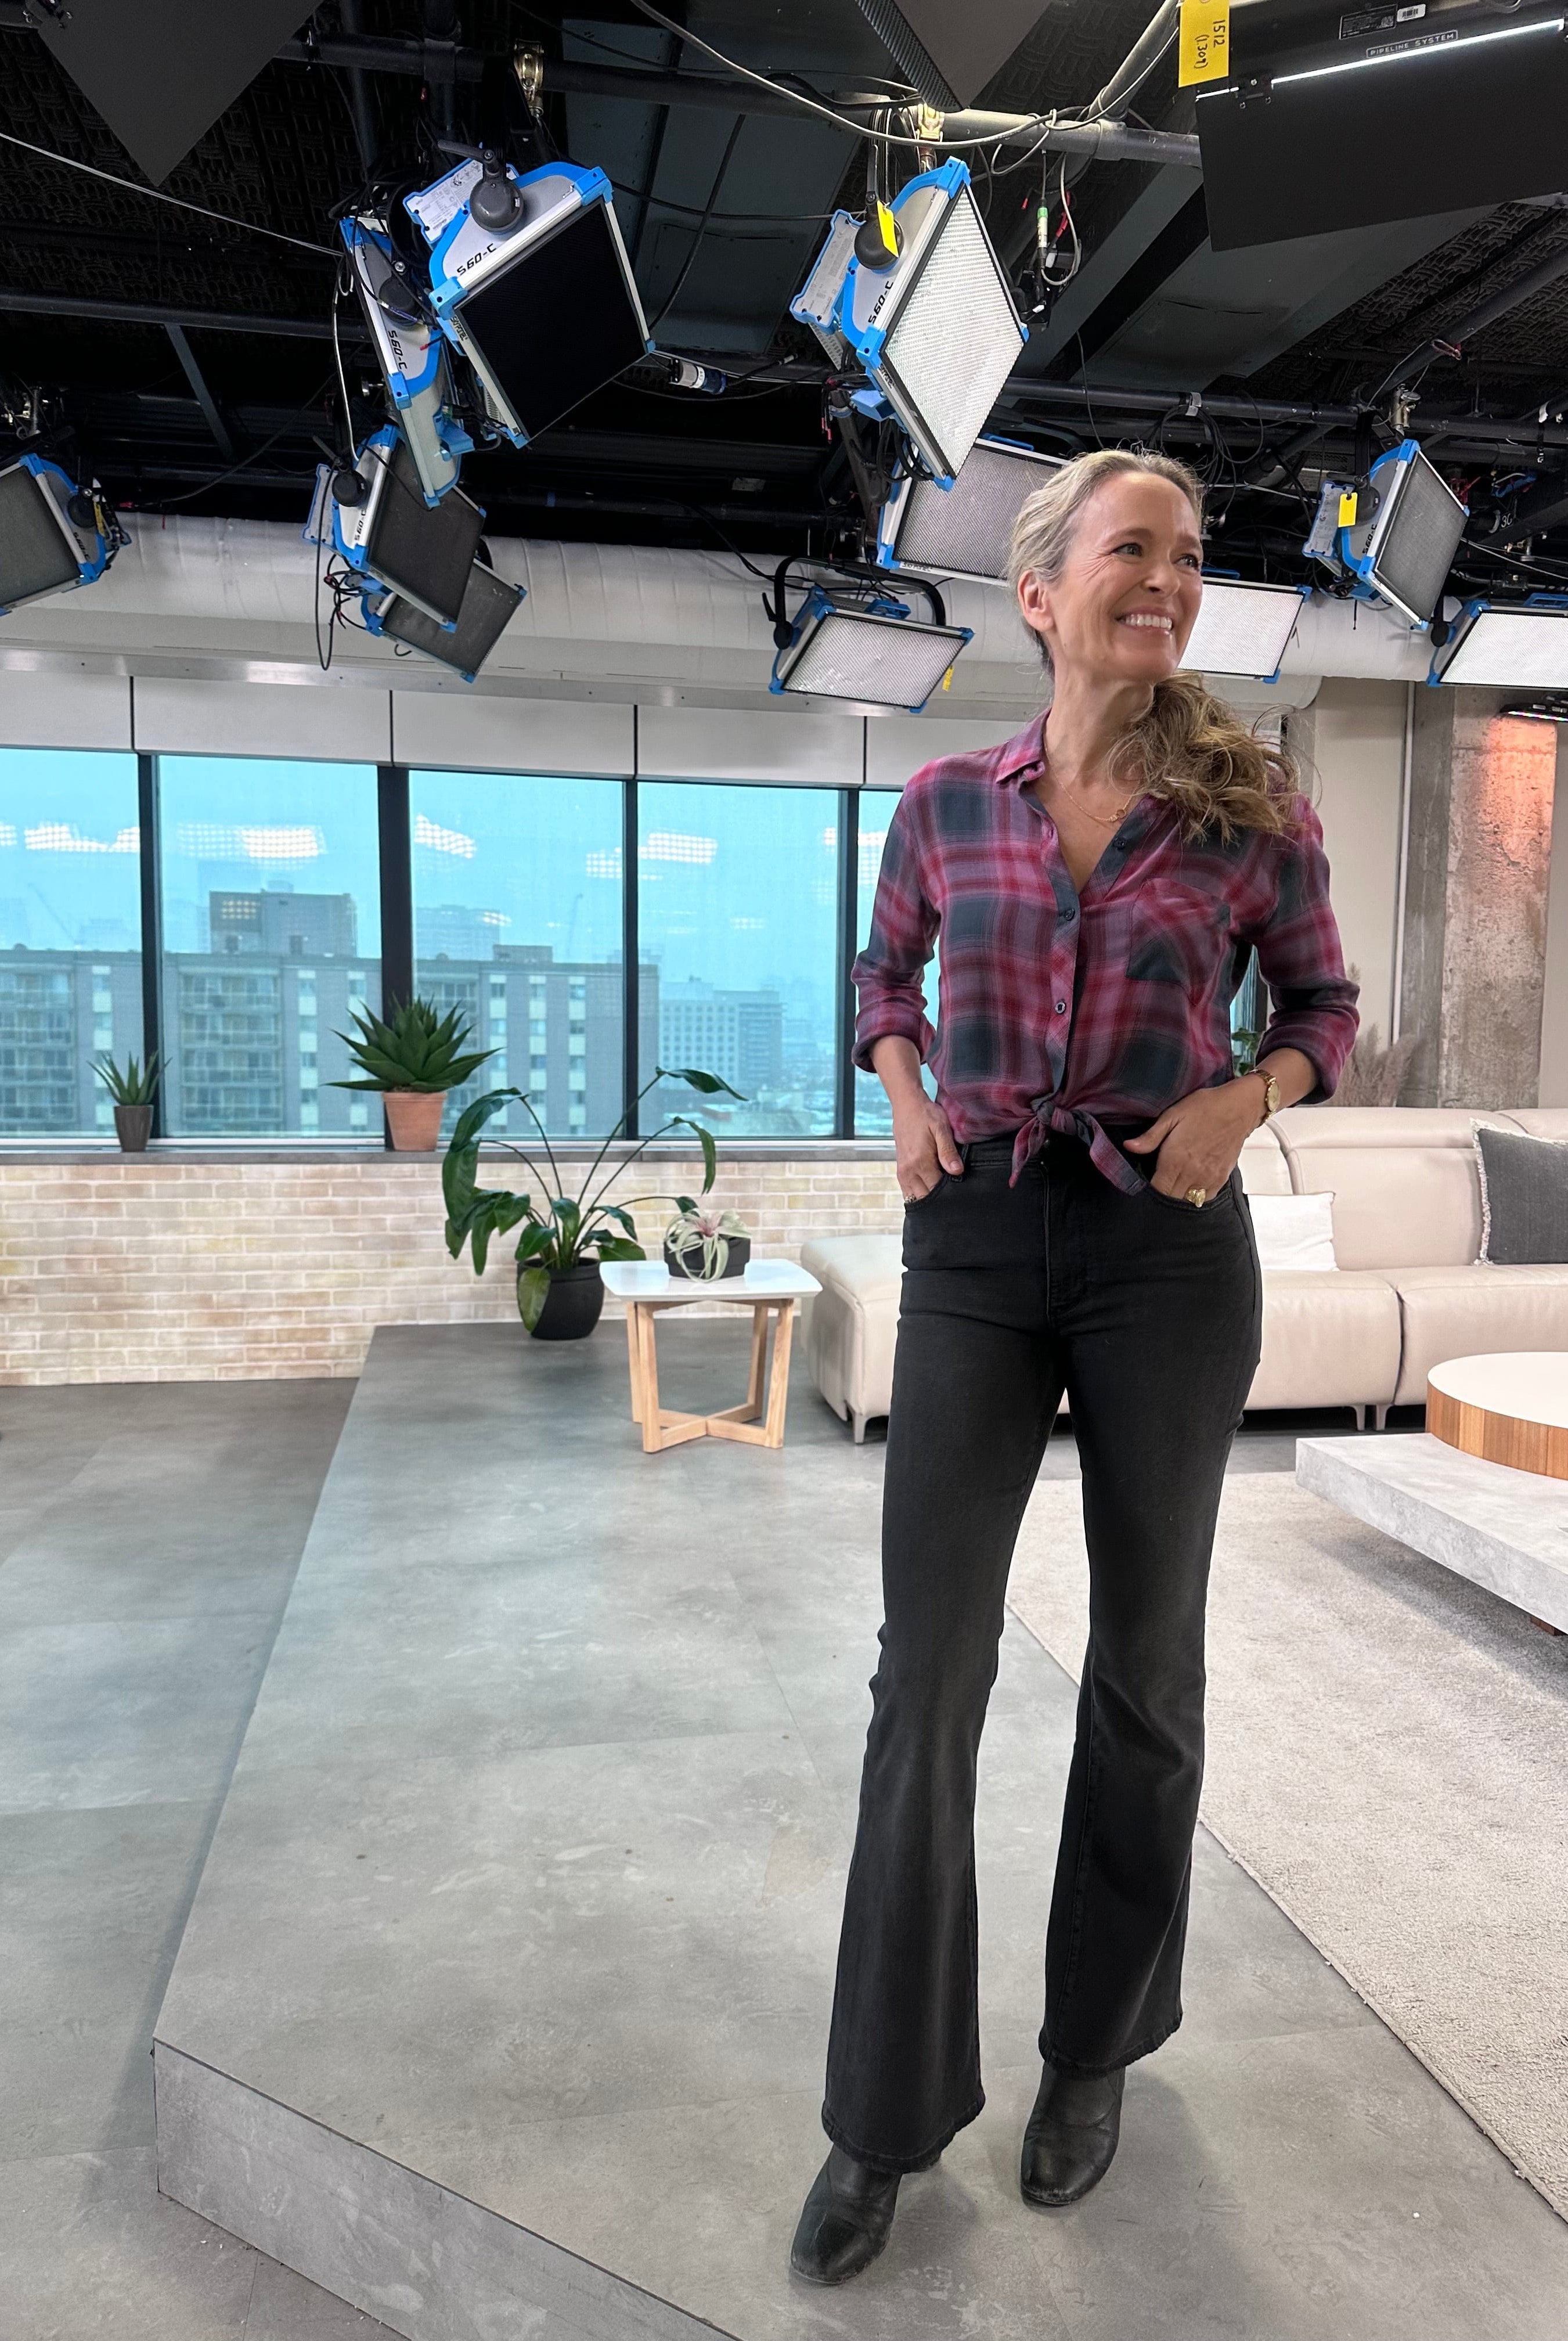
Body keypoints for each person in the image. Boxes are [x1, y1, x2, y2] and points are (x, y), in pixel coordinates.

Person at [790, 448, 1360, 2286]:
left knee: (1146, 1667)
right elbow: (882, 977)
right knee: (928, 1672)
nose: (1168, 579)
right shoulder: (947, 803)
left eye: (1187, 556)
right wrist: (901, 1097)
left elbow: (1327, 1011)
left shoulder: (1253, 806)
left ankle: (1095, 2046)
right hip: (973, 1246)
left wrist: (1246, 1099)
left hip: (1165, 1255)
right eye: (1135, 549)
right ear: (1039, 594)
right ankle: (882, 2114)